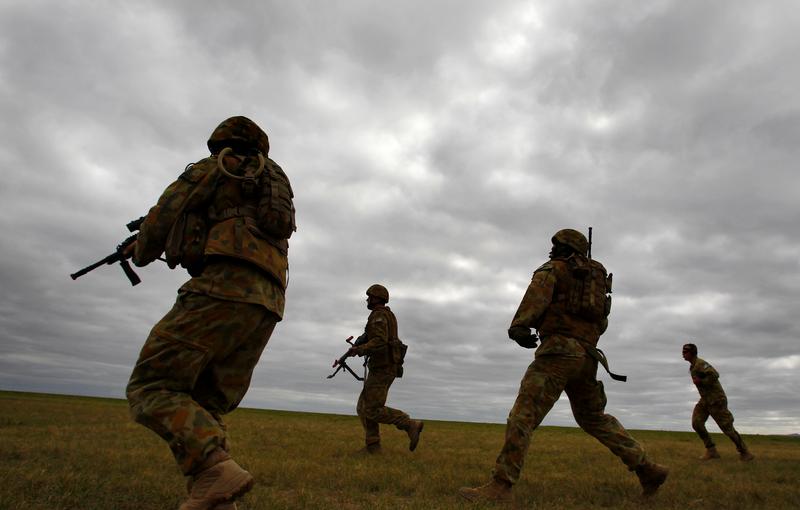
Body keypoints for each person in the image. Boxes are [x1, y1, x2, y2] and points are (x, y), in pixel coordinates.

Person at [124, 116, 296, 510]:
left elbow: (163, 218)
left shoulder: (215, 168)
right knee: (207, 402)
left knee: (151, 386)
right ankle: (218, 499)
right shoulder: (273, 183)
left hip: (222, 287)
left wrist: (141, 247)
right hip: (268, 301)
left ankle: (213, 470)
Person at [459, 229, 668, 503]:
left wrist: (519, 327)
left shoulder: (553, 269)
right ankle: (648, 469)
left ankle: (500, 485)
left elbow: (535, 298)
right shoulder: (598, 284)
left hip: (557, 353)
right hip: (587, 357)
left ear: (564, 248)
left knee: (523, 416)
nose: (551, 250)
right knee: (594, 418)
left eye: (555, 245)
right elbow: (601, 323)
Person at [348, 284, 424, 454]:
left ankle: (409, 424)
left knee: (372, 409)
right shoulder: (383, 315)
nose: (367, 299)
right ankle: (373, 446)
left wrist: (359, 350)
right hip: (382, 367)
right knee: (363, 407)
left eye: (369, 296)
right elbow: (373, 337)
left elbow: (380, 341)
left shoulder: (379, 315)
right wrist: (359, 345)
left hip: (383, 367)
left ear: (377, 298)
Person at [682, 343, 754, 461]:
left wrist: (702, 381)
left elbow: (715, 375)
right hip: (705, 400)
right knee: (697, 423)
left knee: (727, 428)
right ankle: (711, 450)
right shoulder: (693, 366)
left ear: (692, 353)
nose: (683, 354)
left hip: (716, 400)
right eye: (683, 351)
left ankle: (745, 452)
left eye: (685, 351)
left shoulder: (700, 364)